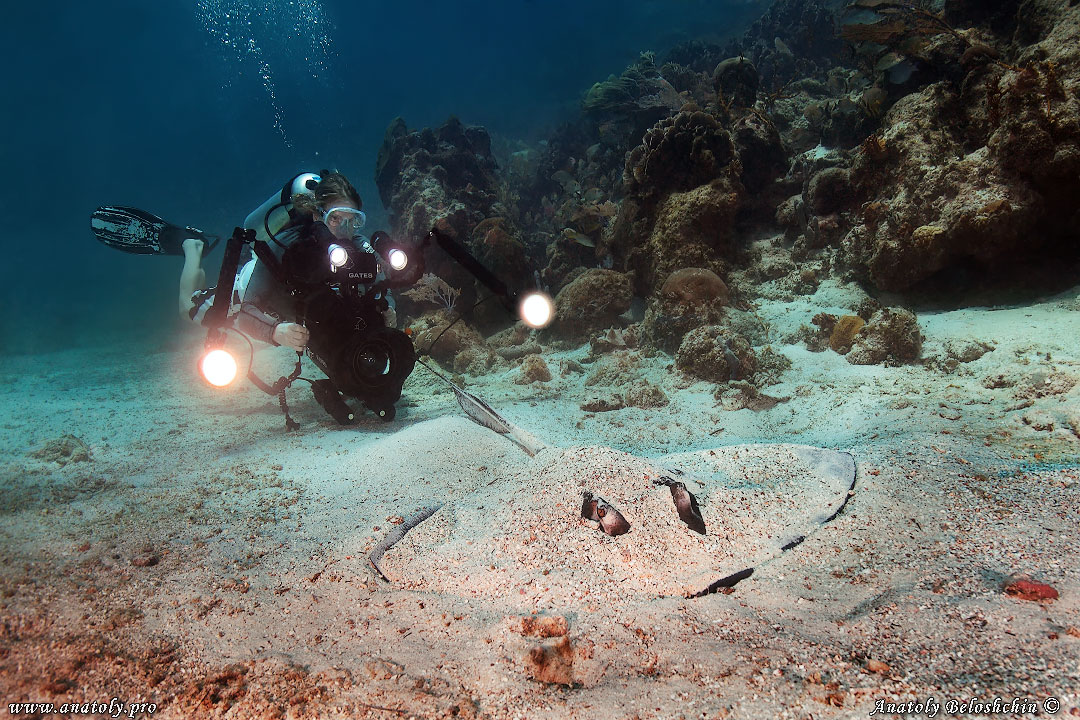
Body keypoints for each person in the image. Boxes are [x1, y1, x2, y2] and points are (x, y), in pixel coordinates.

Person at [179, 170, 389, 351]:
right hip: (250, 283)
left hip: (297, 305)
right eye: (335, 218)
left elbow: (381, 287)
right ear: (317, 215)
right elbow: (246, 310)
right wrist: (275, 331)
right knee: (190, 309)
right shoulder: (287, 244)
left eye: (352, 221)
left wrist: (389, 310)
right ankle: (193, 248)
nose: (344, 230)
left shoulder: (359, 246)